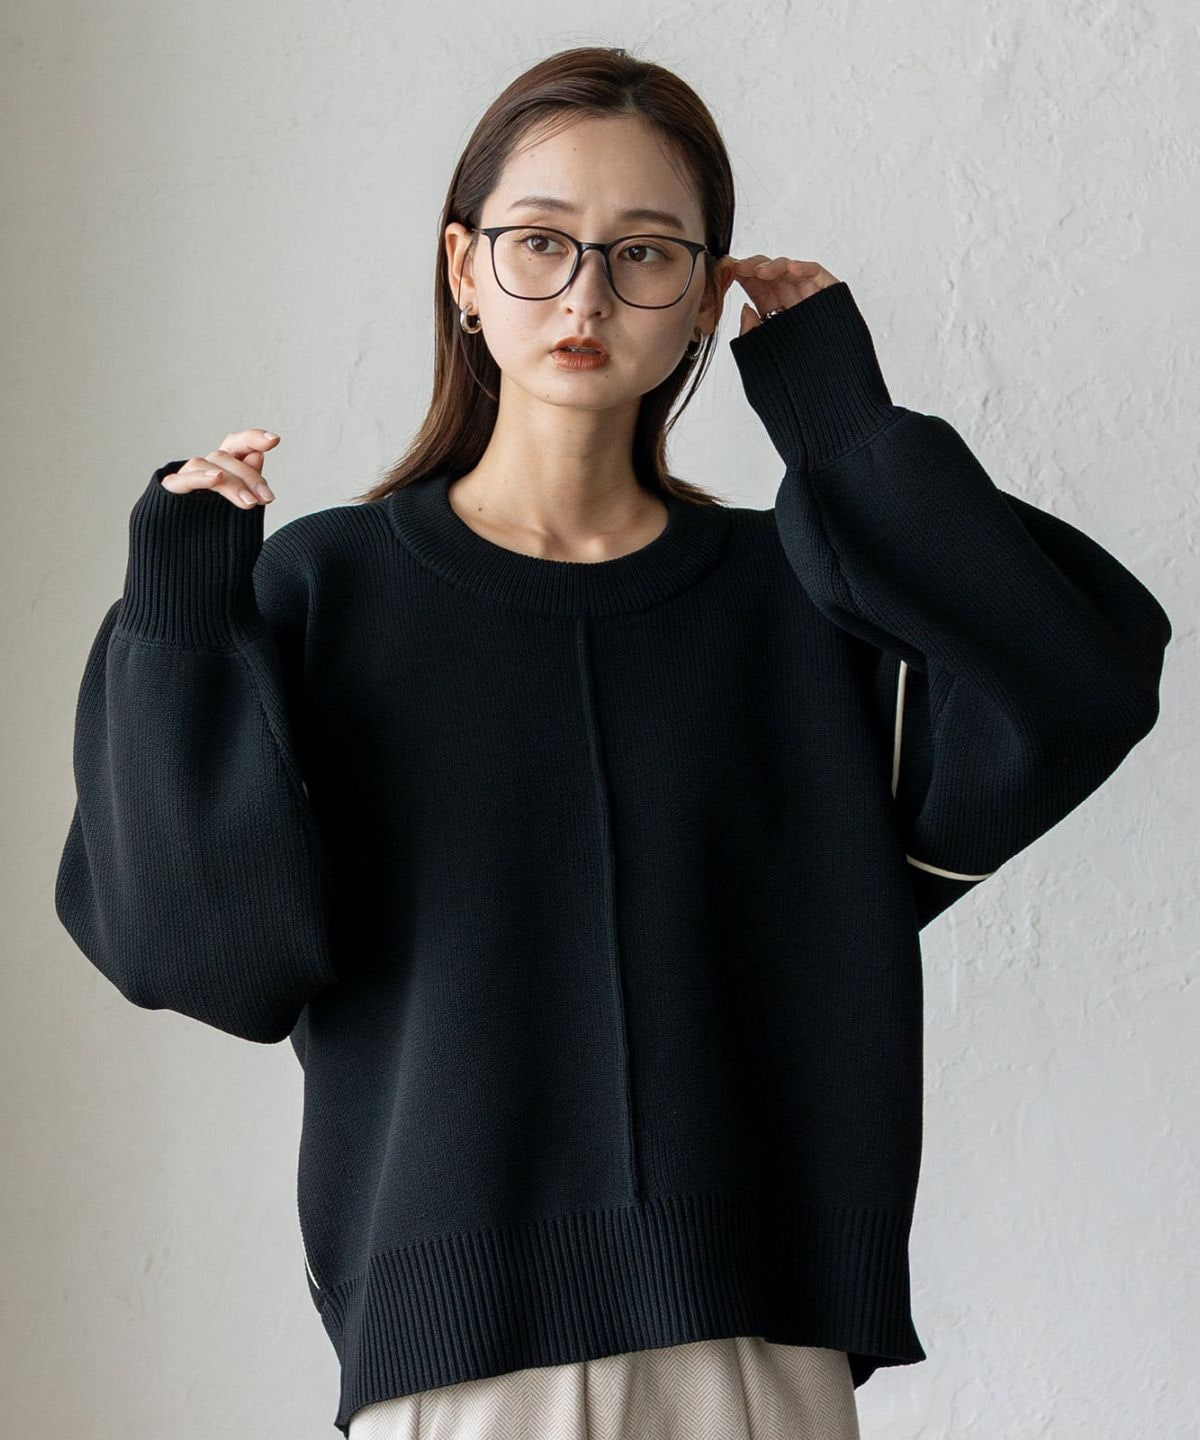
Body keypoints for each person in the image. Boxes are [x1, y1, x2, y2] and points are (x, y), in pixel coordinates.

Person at [54, 45, 1171, 1440]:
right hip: (456, 1364)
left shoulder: (801, 602)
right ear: (463, 269)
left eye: (644, 253)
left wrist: (845, 431)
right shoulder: (323, 594)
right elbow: (197, 952)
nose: (586, 294)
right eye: (541, 243)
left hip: (752, 1335)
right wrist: (179, 614)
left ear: (705, 297)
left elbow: (1075, 688)